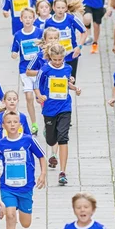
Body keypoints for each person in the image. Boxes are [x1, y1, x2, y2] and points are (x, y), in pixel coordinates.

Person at [0, 111, 46, 229]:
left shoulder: (28, 141)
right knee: (10, 215)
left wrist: (42, 174)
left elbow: (42, 156)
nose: (12, 125)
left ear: (20, 125)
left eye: (15, 122)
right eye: (9, 122)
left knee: (26, 223)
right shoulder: (0, 144)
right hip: (7, 188)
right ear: (3, 126)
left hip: (26, 188)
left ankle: (23, 211)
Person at [34, 43, 81, 186]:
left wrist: (75, 88)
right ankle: (48, 131)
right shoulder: (45, 69)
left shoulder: (67, 68)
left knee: (63, 137)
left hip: (64, 107)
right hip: (49, 109)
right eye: (55, 60)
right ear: (50, 57)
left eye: (60, 59)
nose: (57, 62)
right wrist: (39, 96)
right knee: (50, 139)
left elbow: (67, 83)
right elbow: (36, 86)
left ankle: (63, 172)